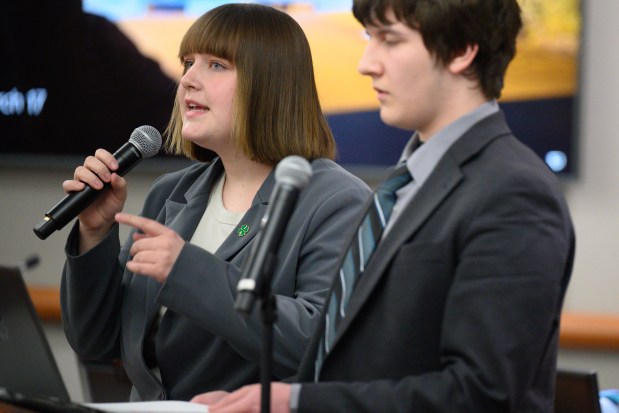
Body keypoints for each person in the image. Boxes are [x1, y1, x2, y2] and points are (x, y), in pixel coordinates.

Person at [191, 0, 576, 411]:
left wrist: (298, 402)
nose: (366, 64)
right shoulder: (404, 184)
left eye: (389, 40)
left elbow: (484, 395)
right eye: (368, 38)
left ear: (463, 50)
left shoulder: (512, 192)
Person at [59, 3, 371, 402]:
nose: (187, 79)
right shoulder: (171, 192)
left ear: (271, 83)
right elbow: (96, 342)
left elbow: (318, 343)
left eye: (216, 65)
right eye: (187, 62)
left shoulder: (336, 201)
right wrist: (95, 232)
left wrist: (185, 269)